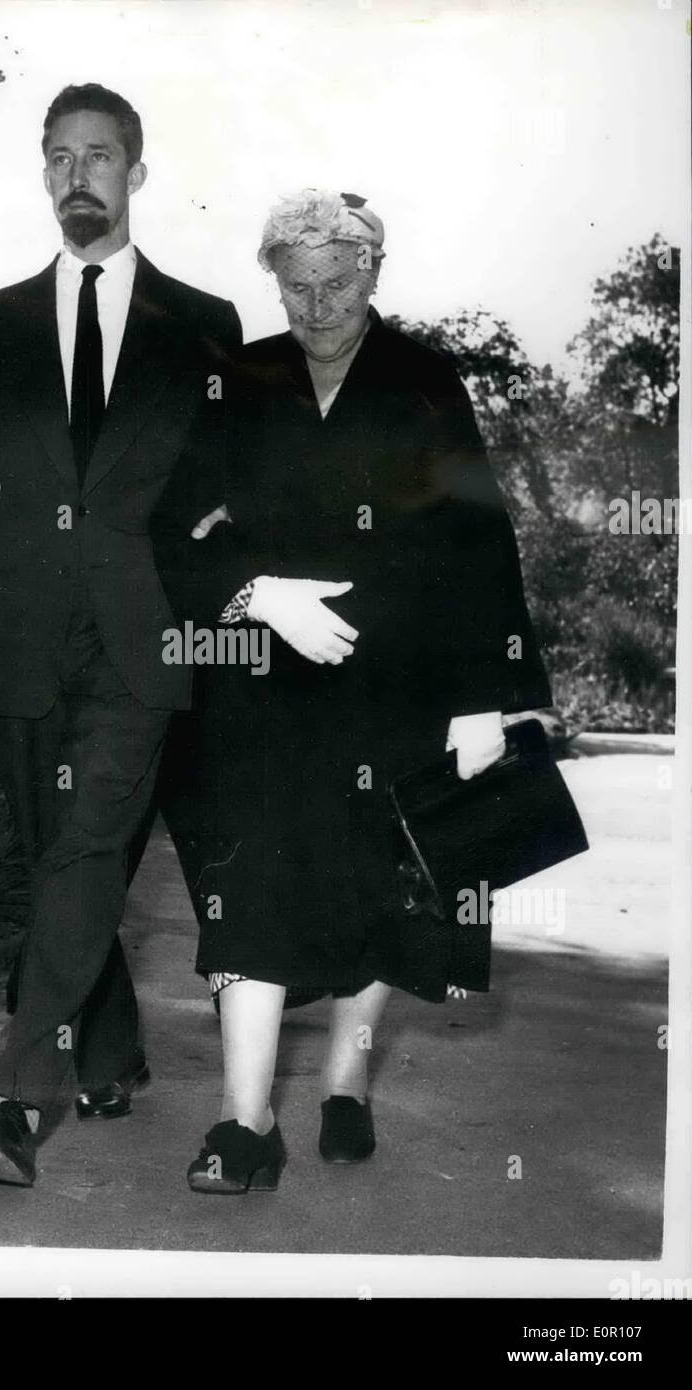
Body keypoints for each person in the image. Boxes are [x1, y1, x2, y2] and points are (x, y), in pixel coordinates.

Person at [151, 188, 552, 1194]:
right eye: (296, 286)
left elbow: (479, 539)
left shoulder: (423, 380)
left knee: (385, 880)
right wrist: (252, 591)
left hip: (401, 682)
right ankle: (243, 1124)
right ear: (271, 282)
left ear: (373, 272)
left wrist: (488, 698)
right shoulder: (234, 380)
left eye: (336, 283)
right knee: (251, 884)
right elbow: (164, 528)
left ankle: (345, 1081)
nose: (317, 305)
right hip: (264, 681)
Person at [0, 84, 241, 1187]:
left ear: (135, 173)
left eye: (98, 155)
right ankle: (115, 1049)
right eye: (57, 157)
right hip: (23, 633)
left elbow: (232, 481)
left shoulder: (203, 325)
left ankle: (14, 1099)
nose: (76, 175)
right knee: (58, 859)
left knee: (87, 849)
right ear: (43, 176)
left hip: (145, 640)